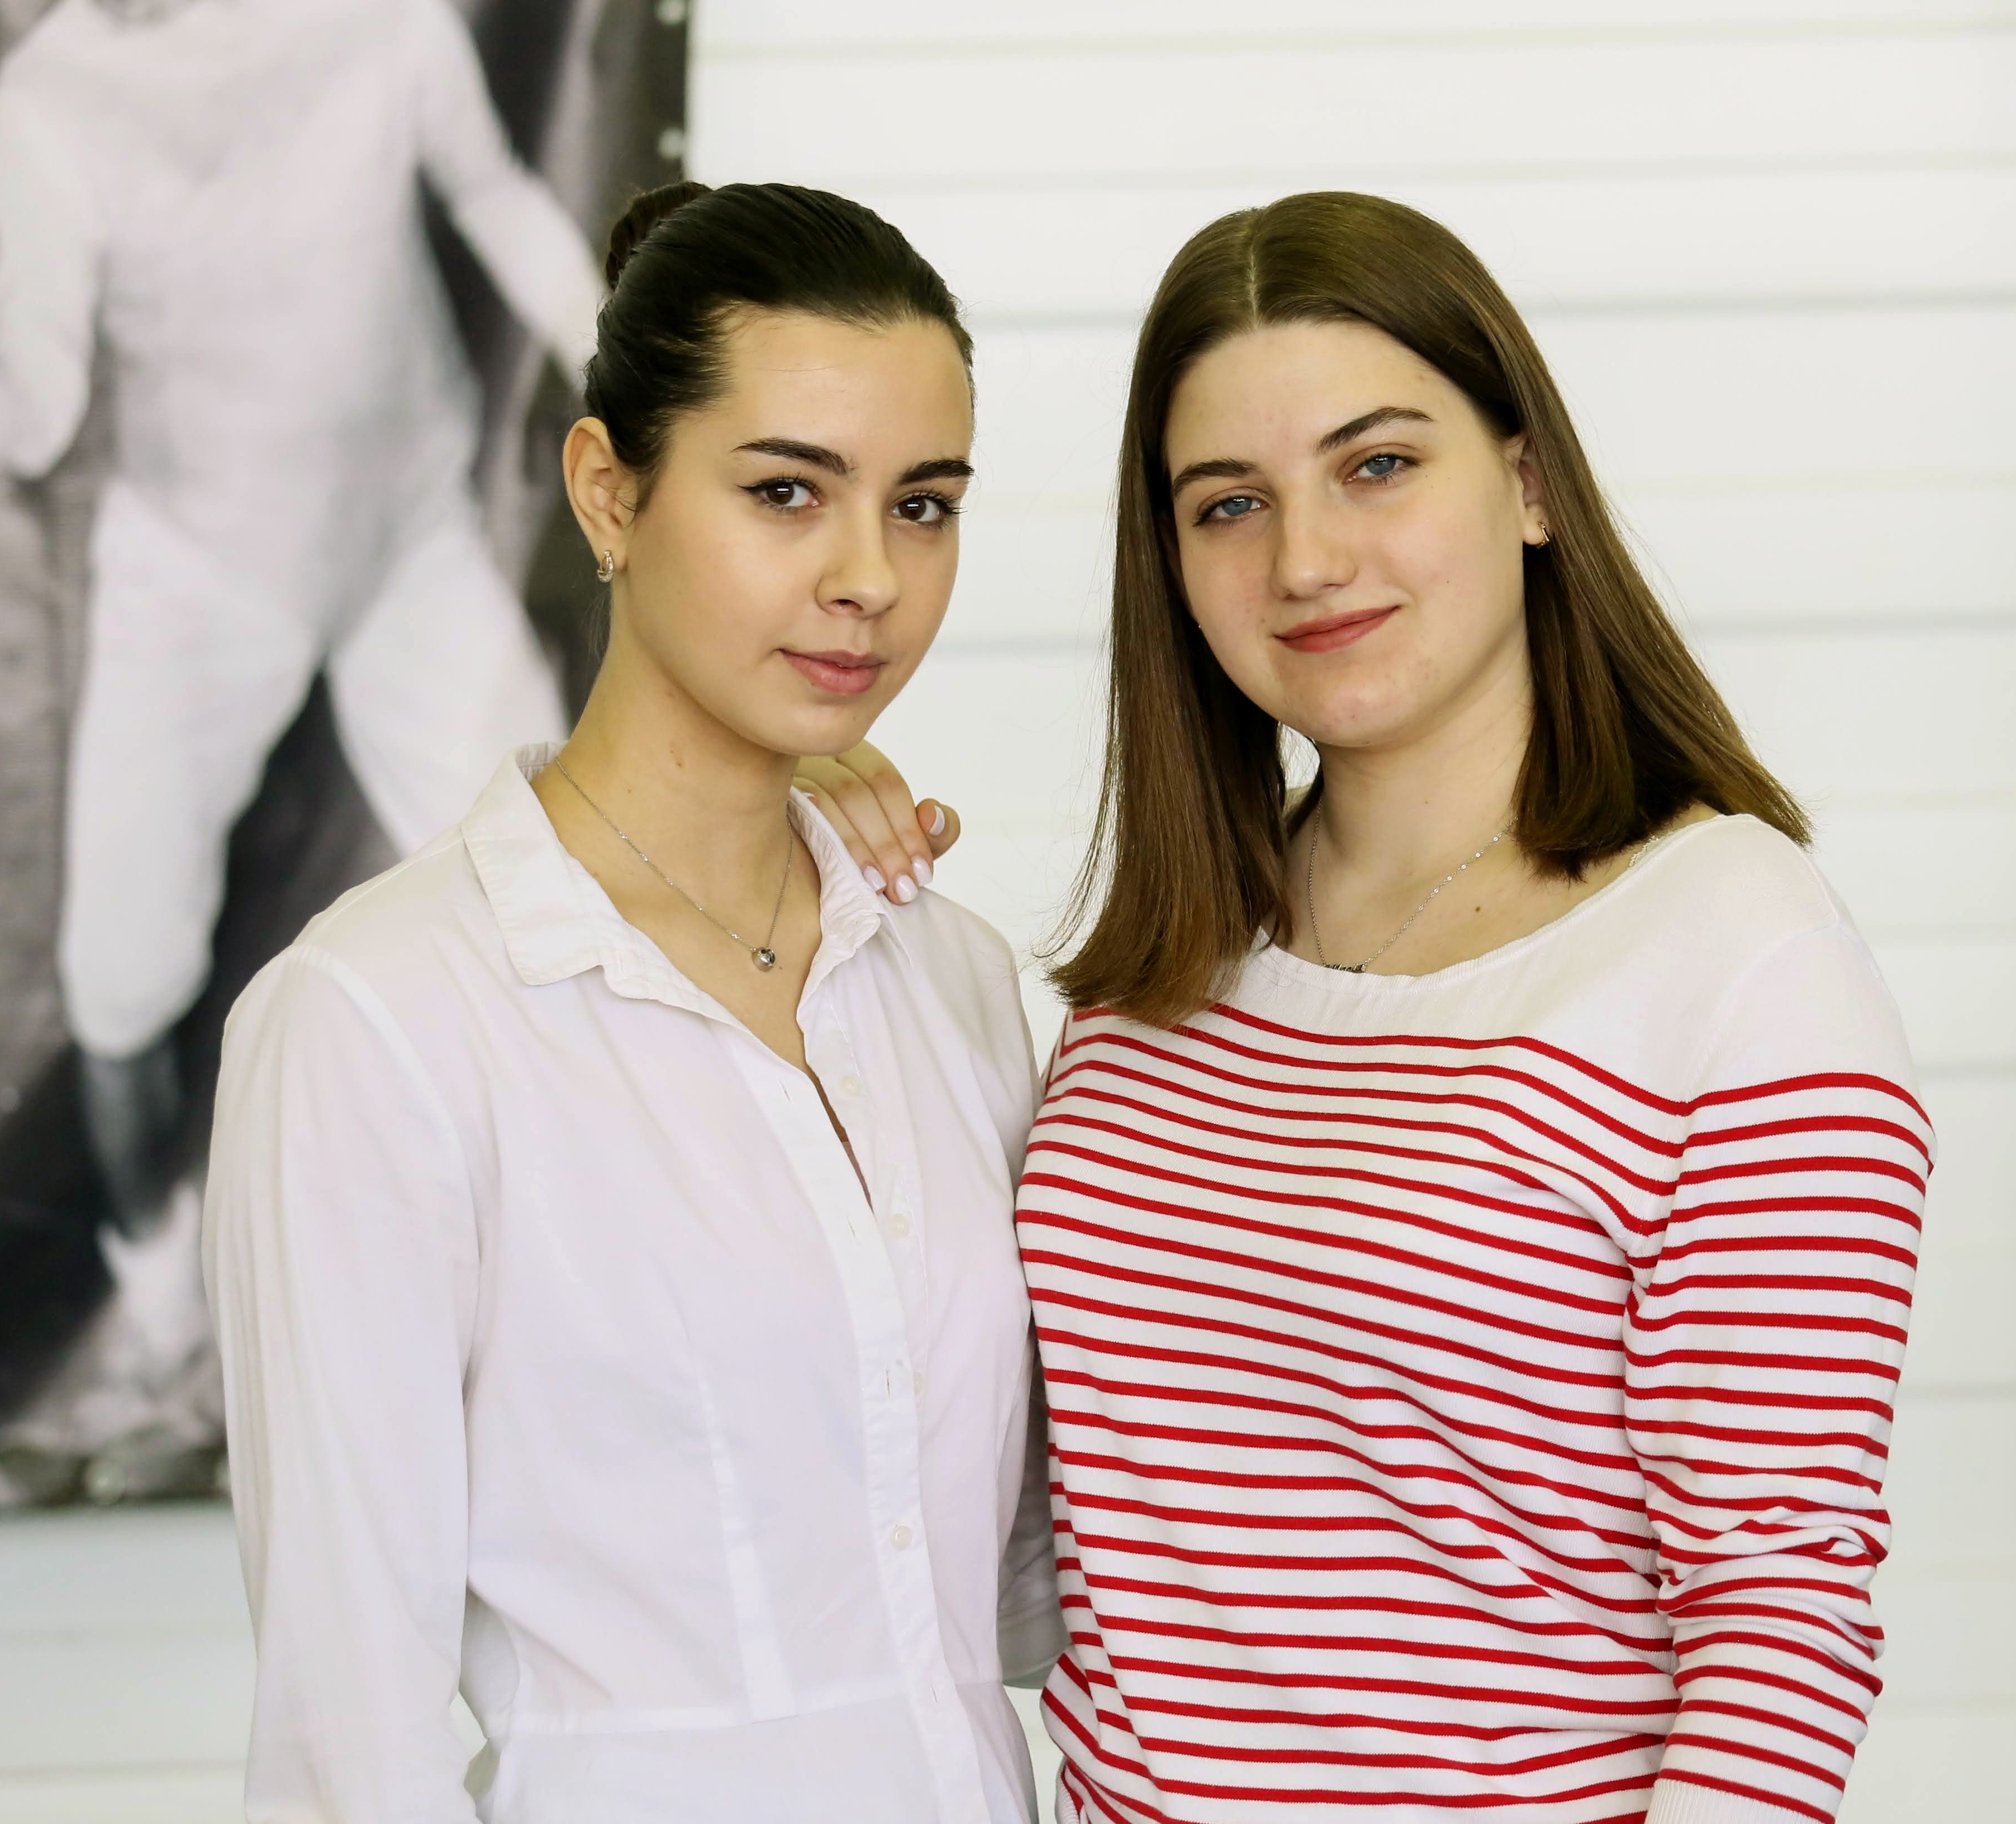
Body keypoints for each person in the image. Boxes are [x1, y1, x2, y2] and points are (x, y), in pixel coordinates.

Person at [803, 191, 1929, 1823]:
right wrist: (771, 825)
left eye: (1378, 465)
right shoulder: (1168, 969)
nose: (1306, 559)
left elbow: (1780, 1613)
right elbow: (1037, 1495)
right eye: (1228, 503)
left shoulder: (1734, 954)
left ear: (1529, 483)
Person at [202, 182, 1063, 1824]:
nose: (869, 577)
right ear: (609, 491)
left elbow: (1029, 1595)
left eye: (923, 504)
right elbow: (348, 1744)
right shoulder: (378, 1021)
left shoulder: (947, 974)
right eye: (786, 492)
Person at [0, 0, 600, 1232]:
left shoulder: (375, 20)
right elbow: (31, 421)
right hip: (198, 579)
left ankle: (576, 1256)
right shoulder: (45, 107)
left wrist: (646, 389)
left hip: (408, 543)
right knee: (118, 983)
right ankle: (155, 1272)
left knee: (569, 902)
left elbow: (494, 192)